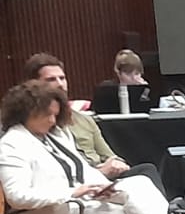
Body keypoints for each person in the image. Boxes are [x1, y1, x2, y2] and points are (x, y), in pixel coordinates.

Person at [0, 81, 178, 214]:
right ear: (25, 113)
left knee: (141, 183)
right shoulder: (11, 145)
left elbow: (82, 170)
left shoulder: (56, 135)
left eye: (55, 115)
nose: (52, 120)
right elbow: (17, 197)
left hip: (83, 203)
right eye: (46, 115)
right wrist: (72, 192)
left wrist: (101, 187)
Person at [23, 53, 159, 189]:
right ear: (35, 85)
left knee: (146, 170)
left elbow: (109, 155)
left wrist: (116, 163)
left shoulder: (85, 120)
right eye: (51, 79)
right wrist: (97, 172)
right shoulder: (35, 124)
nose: (60, 84)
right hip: (76, 181)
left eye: (62, 78)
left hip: (104, 175)